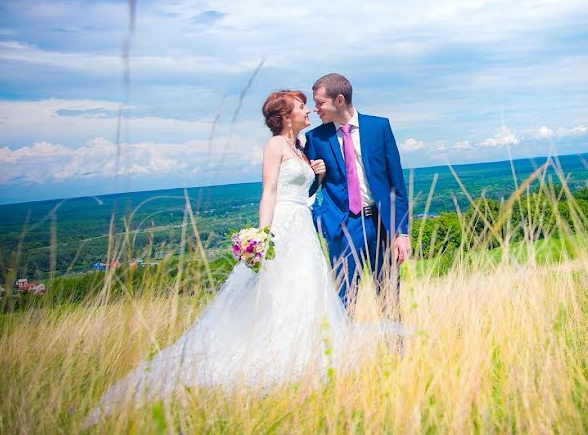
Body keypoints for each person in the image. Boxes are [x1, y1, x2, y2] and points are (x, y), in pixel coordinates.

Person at [85, 90, 394, 425]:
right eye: (301, 107)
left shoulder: (301, 148)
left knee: (305, 287)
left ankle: (305, 352)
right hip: (282, 225)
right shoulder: (275, 145)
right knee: (275, 289)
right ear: (285, 115)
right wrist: (263, 236)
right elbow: (270, 192)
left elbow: (304, 192)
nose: (308, 111)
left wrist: (317, 175)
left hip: (304, 227)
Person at [304, 73, 411, 316]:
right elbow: (308, 189)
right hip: (342, 228)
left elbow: (396, 183)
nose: (315, 108)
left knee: (389, 297)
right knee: (343, 301)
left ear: (339, 100)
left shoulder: (379, 127)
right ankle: (346, 353)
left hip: (380, 225)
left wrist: (401, 232)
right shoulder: (315, 138)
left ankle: (396, 353)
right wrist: (315, 174)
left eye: (320, 102)